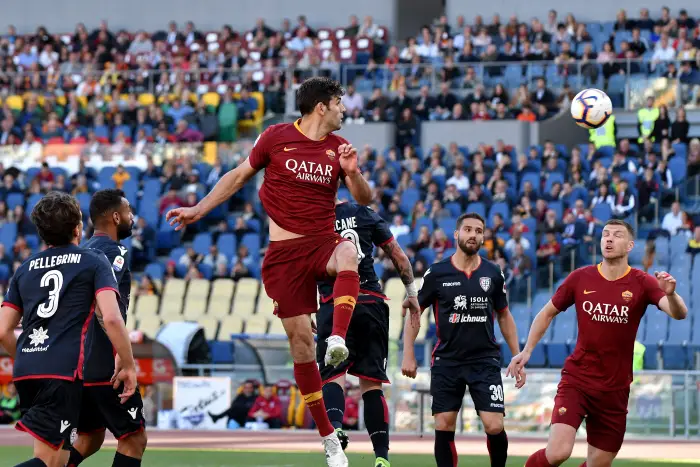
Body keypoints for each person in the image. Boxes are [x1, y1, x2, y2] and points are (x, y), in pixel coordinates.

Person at [165, 77, 373, 467]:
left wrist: (353, 172)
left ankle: (338, 340)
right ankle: (329, 438)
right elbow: (236, 177)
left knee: (350, 252)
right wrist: (198, 209)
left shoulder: (338, 149)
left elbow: (363, 200)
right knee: (300, 346)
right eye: (340, 103)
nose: (345, 109)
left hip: (322, 243)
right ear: (322, 106)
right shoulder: (275, 138)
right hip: (283, 255)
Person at [511, 219, 687, 467]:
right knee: (558, 452)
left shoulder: (642, 282)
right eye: (605, 234)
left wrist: (671, 294)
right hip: (578, 379)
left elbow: (678, 313)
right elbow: (546, 313)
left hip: (615, 389)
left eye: (616, 235)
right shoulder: (580, 278)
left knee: (598, 464)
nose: (609, 239)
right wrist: (526, 351)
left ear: (629, 245)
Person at [0, 192, 137, 467]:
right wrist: (129, 364)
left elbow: (3, 330)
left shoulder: (25, 268)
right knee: (50, 462)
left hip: (27, 369)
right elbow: (110, 317)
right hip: (61, 372)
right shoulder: (93, 260)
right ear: (78, 228)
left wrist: (29, 356)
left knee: (57, 460)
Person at [401, 213, 524, 467]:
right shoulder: (437, 273)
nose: (473, 235)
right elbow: (415, 311)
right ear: (456, 234)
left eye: (478, 231)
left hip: (484, 360)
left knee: (494, 424)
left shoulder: (493, 273)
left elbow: (504, 315)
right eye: (468, 230)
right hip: (447, 360)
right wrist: (408, 353)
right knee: (444, 423)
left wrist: (517, 354)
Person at [316, 199, 420, 467]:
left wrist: (305, 310)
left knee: (333, 376)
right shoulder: (365, 213)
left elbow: (301, 268)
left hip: (334, 303)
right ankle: (382, 458)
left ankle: (336, 428)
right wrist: (411, 294)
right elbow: (398, 256)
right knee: (372, 385)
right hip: (370, 302)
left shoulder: (313, 217)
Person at [68, 189, 147, 467]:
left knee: (89, 438)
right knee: (134, 439)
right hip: (104, 363)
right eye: (127, 212)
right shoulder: (115, 251)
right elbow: (105, 308)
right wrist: (124, 358)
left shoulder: (79, 253)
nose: (131, 217)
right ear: (115, 216)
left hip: (75, 367)